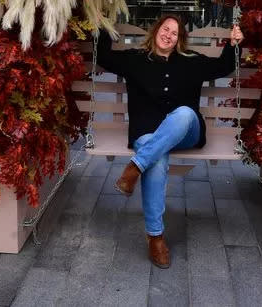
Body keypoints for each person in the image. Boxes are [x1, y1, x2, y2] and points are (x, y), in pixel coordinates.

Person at [96, 15, 243, 268]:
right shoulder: (134, 59)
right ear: (156, 31)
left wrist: (233, 43)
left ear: (179, 40)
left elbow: (223, 67)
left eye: (174, 33)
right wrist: (101, 26)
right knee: (156, 158)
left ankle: (134, 168)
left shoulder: (191, 62)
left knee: (184, 113)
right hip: (148, 136)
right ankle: (156, 237)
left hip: (187, 133)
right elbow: (104, 57)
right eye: (166, 29)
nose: (168, 35)